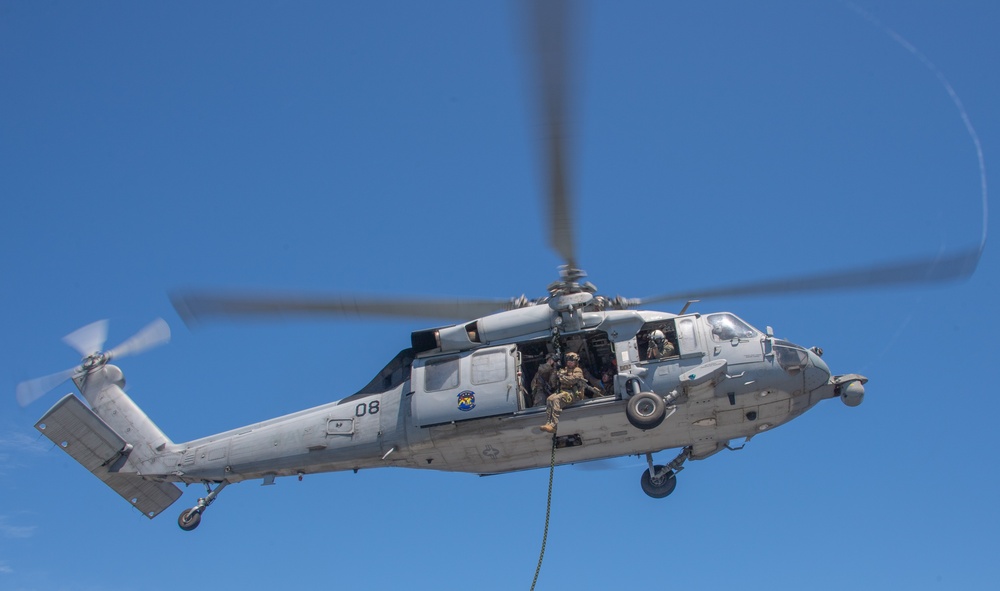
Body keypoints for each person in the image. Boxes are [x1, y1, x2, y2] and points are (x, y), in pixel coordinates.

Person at [540, 352, 586, 434]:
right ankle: (548, 423)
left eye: (572, 361)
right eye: (568, 361)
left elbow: (572, 380)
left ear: (576, 362)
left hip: (574, 394)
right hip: (564, 391)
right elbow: (553, 383)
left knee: (556, 399)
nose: (570, 363)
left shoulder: (577, 371)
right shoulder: (563, 370)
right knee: (550, 399)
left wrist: (561, 377)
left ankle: (554, 426)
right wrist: (555, 371)